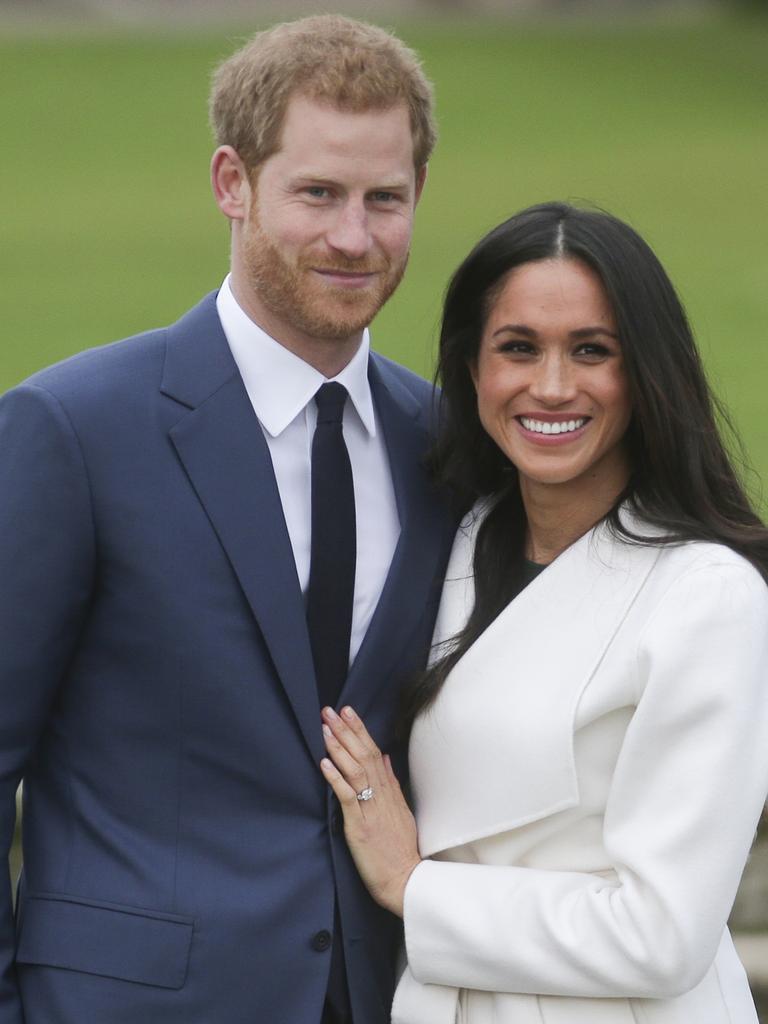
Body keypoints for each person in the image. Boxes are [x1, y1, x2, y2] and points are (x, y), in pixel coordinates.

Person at [0, 15, 458, 1024]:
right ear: (231, 183)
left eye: (385, 198)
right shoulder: (74, 429)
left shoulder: (448, 444)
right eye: (318, 193)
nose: (354, 235)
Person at [320, 201, 768, 1024]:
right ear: (471, 369)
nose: (552, 386)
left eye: (592, 351)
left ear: (647, 374)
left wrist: (416, 886)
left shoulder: (708, 597)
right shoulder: (452, 541)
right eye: (518, 348)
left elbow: (662, 936)